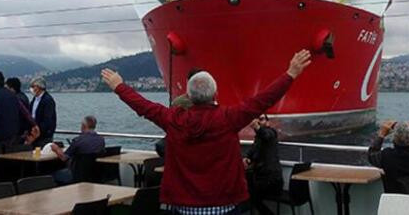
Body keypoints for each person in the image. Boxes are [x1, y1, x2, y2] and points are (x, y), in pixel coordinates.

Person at [101, 49, 312, 215]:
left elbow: (144, 106)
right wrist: (291, 73)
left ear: (190, 97)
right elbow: (262, 100)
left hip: (183, 206)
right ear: (215, 93)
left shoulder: (174, 120)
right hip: (225, 205)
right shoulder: (228, 118)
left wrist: (120, 86)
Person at [0, 71, 39, 182]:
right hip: (13, 140)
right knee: (10, 170)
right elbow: (25, 112)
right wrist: (34, 124)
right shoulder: (12, 96)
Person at [244, 114, 282, 215]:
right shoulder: (258, 138)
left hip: (273, 180)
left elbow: (266, 135)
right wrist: (248, 158)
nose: (259, 121)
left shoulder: (271, 133)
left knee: (250, 195)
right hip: (263, 178)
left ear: (268, 122)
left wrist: (257, 127)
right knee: (247, 192)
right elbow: (253, 149)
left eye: (261, 119)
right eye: (257, 119)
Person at [50, 115, 106, 185]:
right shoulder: (101, 140)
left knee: (52, 175)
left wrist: (56, 149)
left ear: (83, 126)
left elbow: (64, 158)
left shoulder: (78, 140)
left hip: (76, 175)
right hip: (94, 175)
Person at [29, 76, 56, 147]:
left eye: (33, 86)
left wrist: (38, 130)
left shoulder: (48, 100)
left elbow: (47, 119)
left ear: (39, 87)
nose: (32, 89)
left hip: (44, 135)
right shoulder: (34, 99)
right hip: (34, 133)